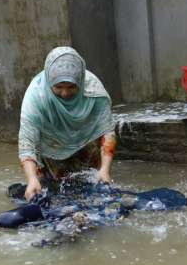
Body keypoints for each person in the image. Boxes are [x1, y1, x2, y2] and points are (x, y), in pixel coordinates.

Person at [18, 46, 117, 201]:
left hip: (85, 141)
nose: (65, 93)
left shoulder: (94, 91)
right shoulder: (36, 96)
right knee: (55, 192)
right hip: (51, 145)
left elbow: (107, 131)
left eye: (71, 87)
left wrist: (105, 169)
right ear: (50, 82)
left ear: (80, 81)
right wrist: (31, 179)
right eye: (58, 87)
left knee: (91, 187)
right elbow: (27, 142)